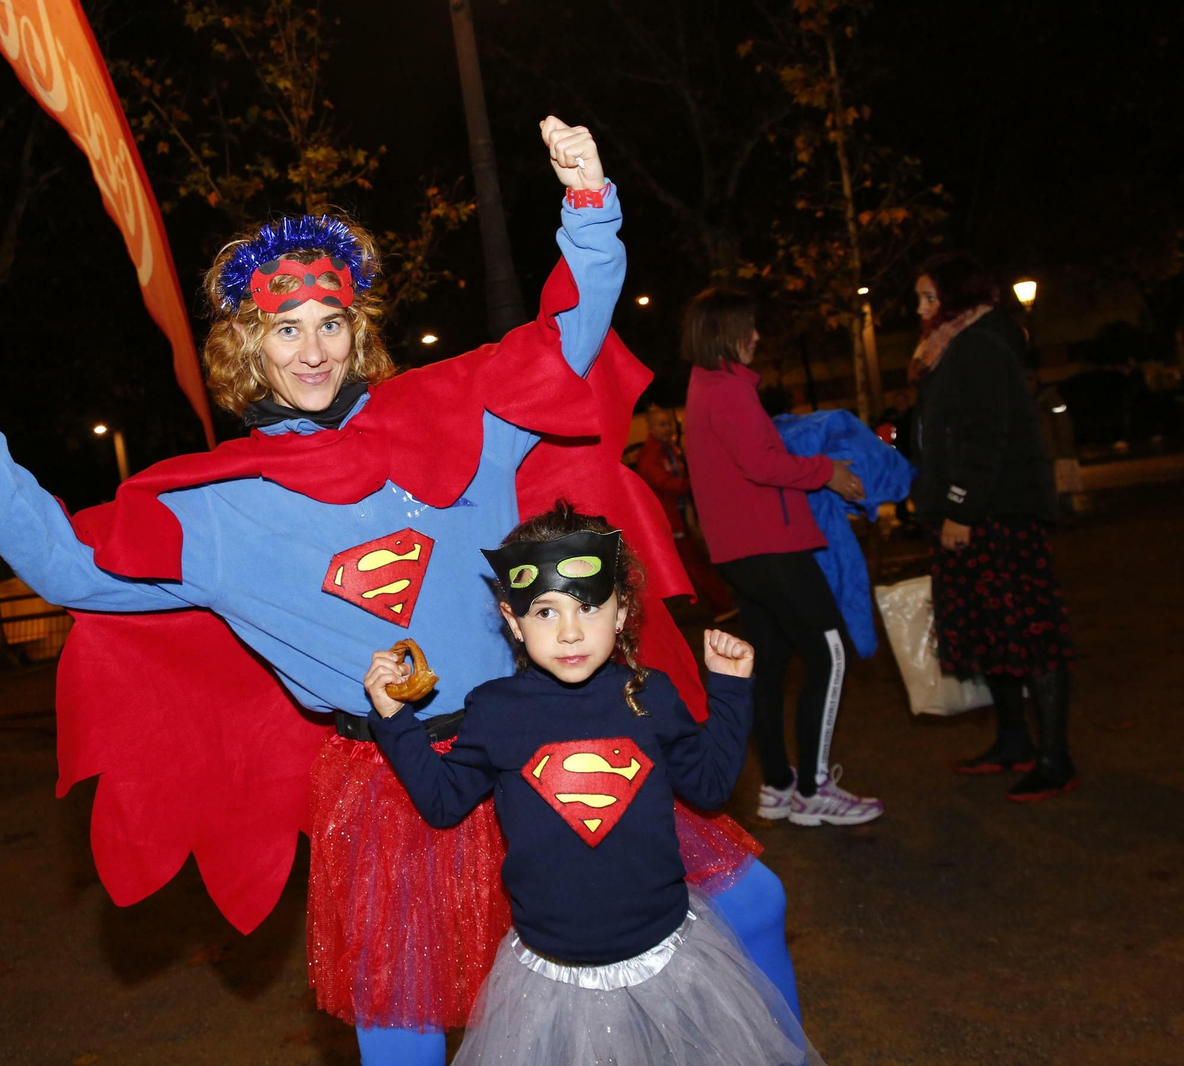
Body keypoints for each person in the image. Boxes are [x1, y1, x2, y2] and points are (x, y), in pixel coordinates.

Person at [0, 119, 802, 1064]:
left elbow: (566, 347)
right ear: (245, 346)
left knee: (750, 901)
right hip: (392, 777)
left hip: (546, 724)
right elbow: (68, 568)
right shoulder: (218, 509)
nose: (313, 351)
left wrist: (589, 208)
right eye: (285, 329)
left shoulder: (447, 418)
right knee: (404, 1020)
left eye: (331, 323)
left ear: (358, 330)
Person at [366, 503, 820, 1065]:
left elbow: (708, 788)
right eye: (545, 612)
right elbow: (441, 802)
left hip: (668, 958)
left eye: (589, 607)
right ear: (513, 621)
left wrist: (729, 692)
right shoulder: (496, 711)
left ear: (622, 610)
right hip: (551, 976)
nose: (571, 631)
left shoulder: (649, 695)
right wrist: (394, 720)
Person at [682, 288, 884, 828]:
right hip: (768, 547)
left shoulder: (708, 387)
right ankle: (814, 790)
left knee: (767, 668)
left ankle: (777, 785)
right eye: (749, 326)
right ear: (727, 331)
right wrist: (828, 473)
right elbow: (762, 463)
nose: (757, 336)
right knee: (830, 653)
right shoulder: (726, 390)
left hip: (743, 552)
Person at [911, 253, 1076, 800]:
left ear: (957, 299)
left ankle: (1055, 756)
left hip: (997, 517)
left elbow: (986, 436)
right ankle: (1013, 740)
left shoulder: (978, 345)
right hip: (975, 516)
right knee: (994, 634)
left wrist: (962, 508)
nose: (921, 309)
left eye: (930, 298)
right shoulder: (953, 347)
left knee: (1030, 634)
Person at [634, 402, 738, 621]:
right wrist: (696, 484)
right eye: (662, 425)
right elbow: (663, 482)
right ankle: (720, 605)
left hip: (680, 518)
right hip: (671, 521)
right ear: (651, 429)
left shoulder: (668, 449)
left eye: (669, 423)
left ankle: (717, 602)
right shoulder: (651, 456)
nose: (668, 428)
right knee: (693, 564)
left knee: (693, 562)